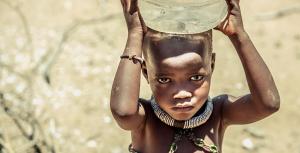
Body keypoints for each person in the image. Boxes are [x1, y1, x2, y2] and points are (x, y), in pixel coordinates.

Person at [110, 0, 280, 152]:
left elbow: (267, 104)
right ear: (146, 72)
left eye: (195, 78)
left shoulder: (219, 113)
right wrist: (134, 34)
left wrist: (238, 35)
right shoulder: (145, 120)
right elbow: (123, 112)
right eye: (164, 80)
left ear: (211, 65)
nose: (182, 93)